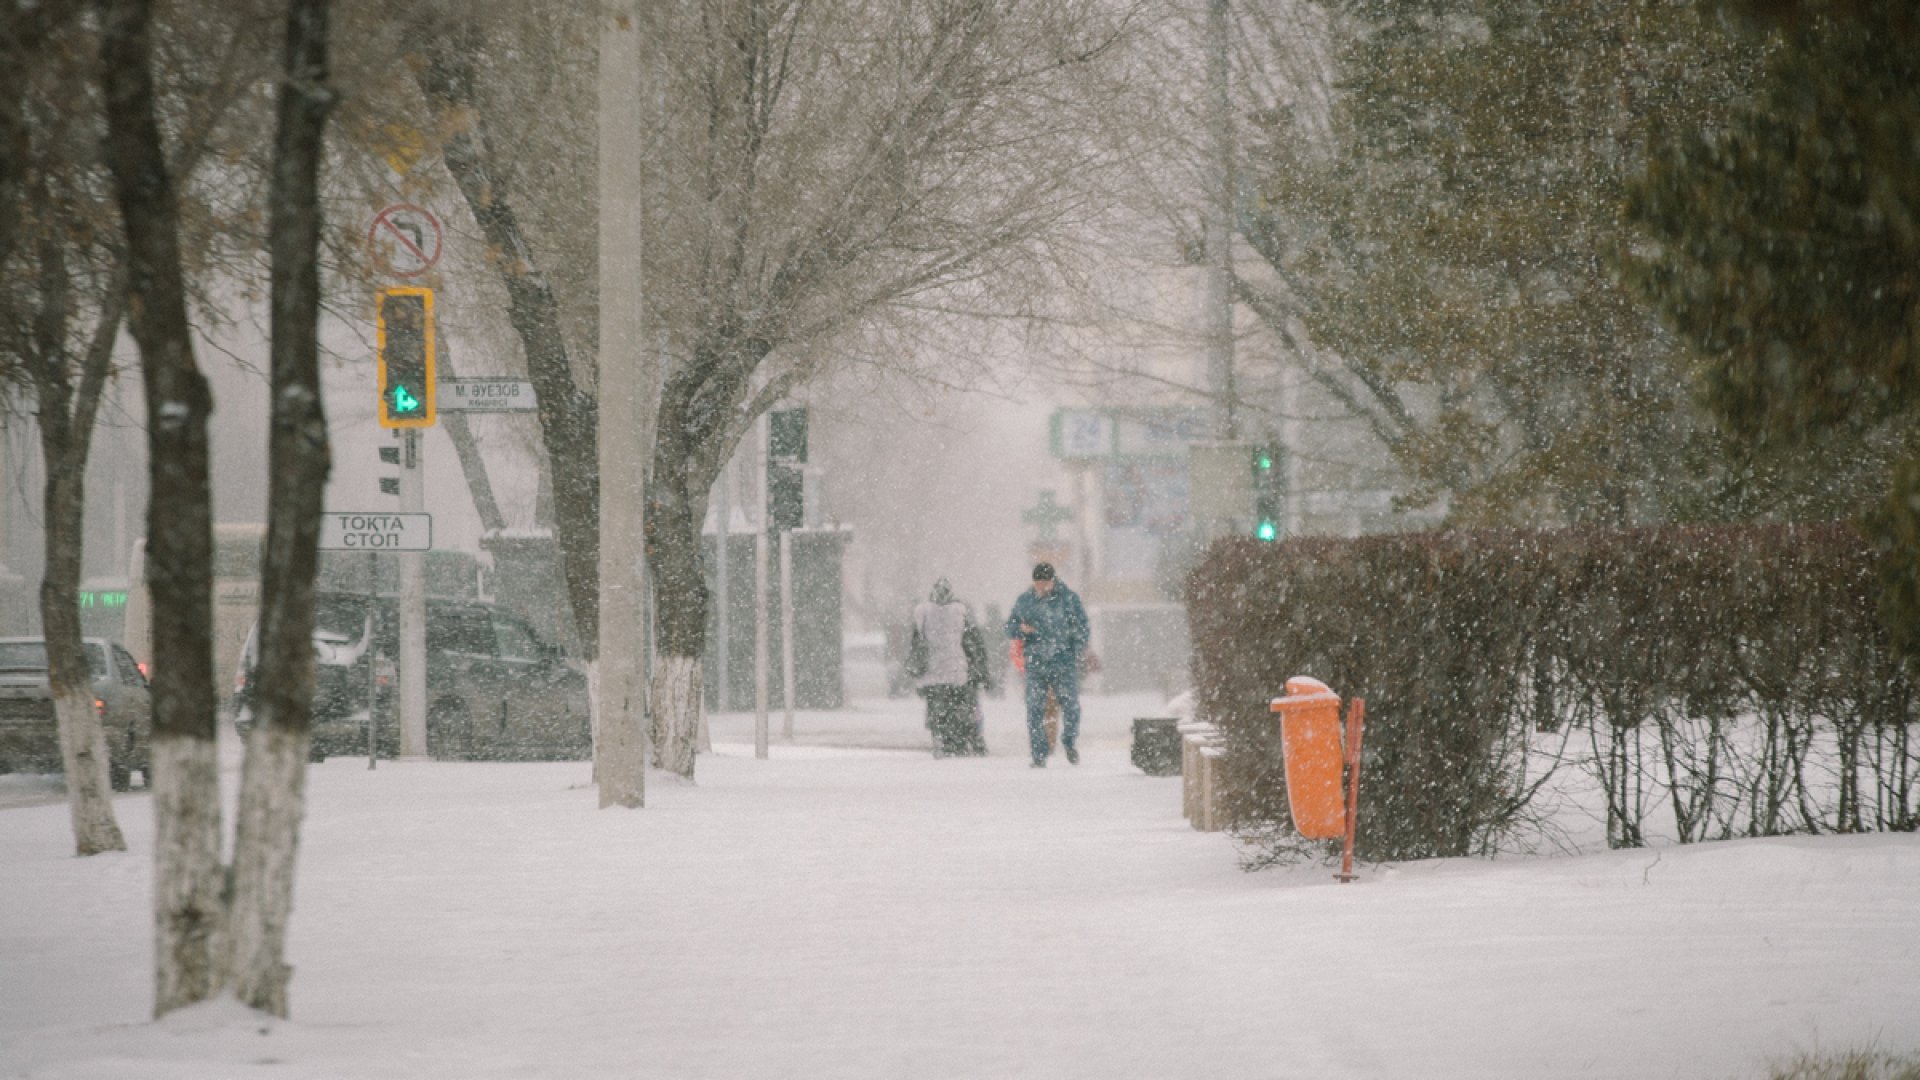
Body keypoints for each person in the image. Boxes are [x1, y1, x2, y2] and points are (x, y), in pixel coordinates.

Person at [1005, 562, 1089, 767]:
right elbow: (1009, 627)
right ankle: (1038, 754)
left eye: (1045, 582)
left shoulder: (1069, 600)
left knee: (1070, 707)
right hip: (1036, 664)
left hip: (1063, 664)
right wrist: (1021, 629)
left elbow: (1082, 628)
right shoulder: (1025, 601)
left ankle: (1069, 741)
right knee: (1034, 708)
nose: (1041, 586)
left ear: (1053, 581)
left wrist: (1073, 651)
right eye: (1038, 582)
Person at [912, 578, 990, 757]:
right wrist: (979, 670)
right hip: (957, 671)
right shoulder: (960, 613)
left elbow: (916, 645)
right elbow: (974, 645)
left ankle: (941, 738)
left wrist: (917, 671)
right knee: (959, 707)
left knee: (938, 708)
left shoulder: (922, 613)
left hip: (932, 673)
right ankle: (959, 741)